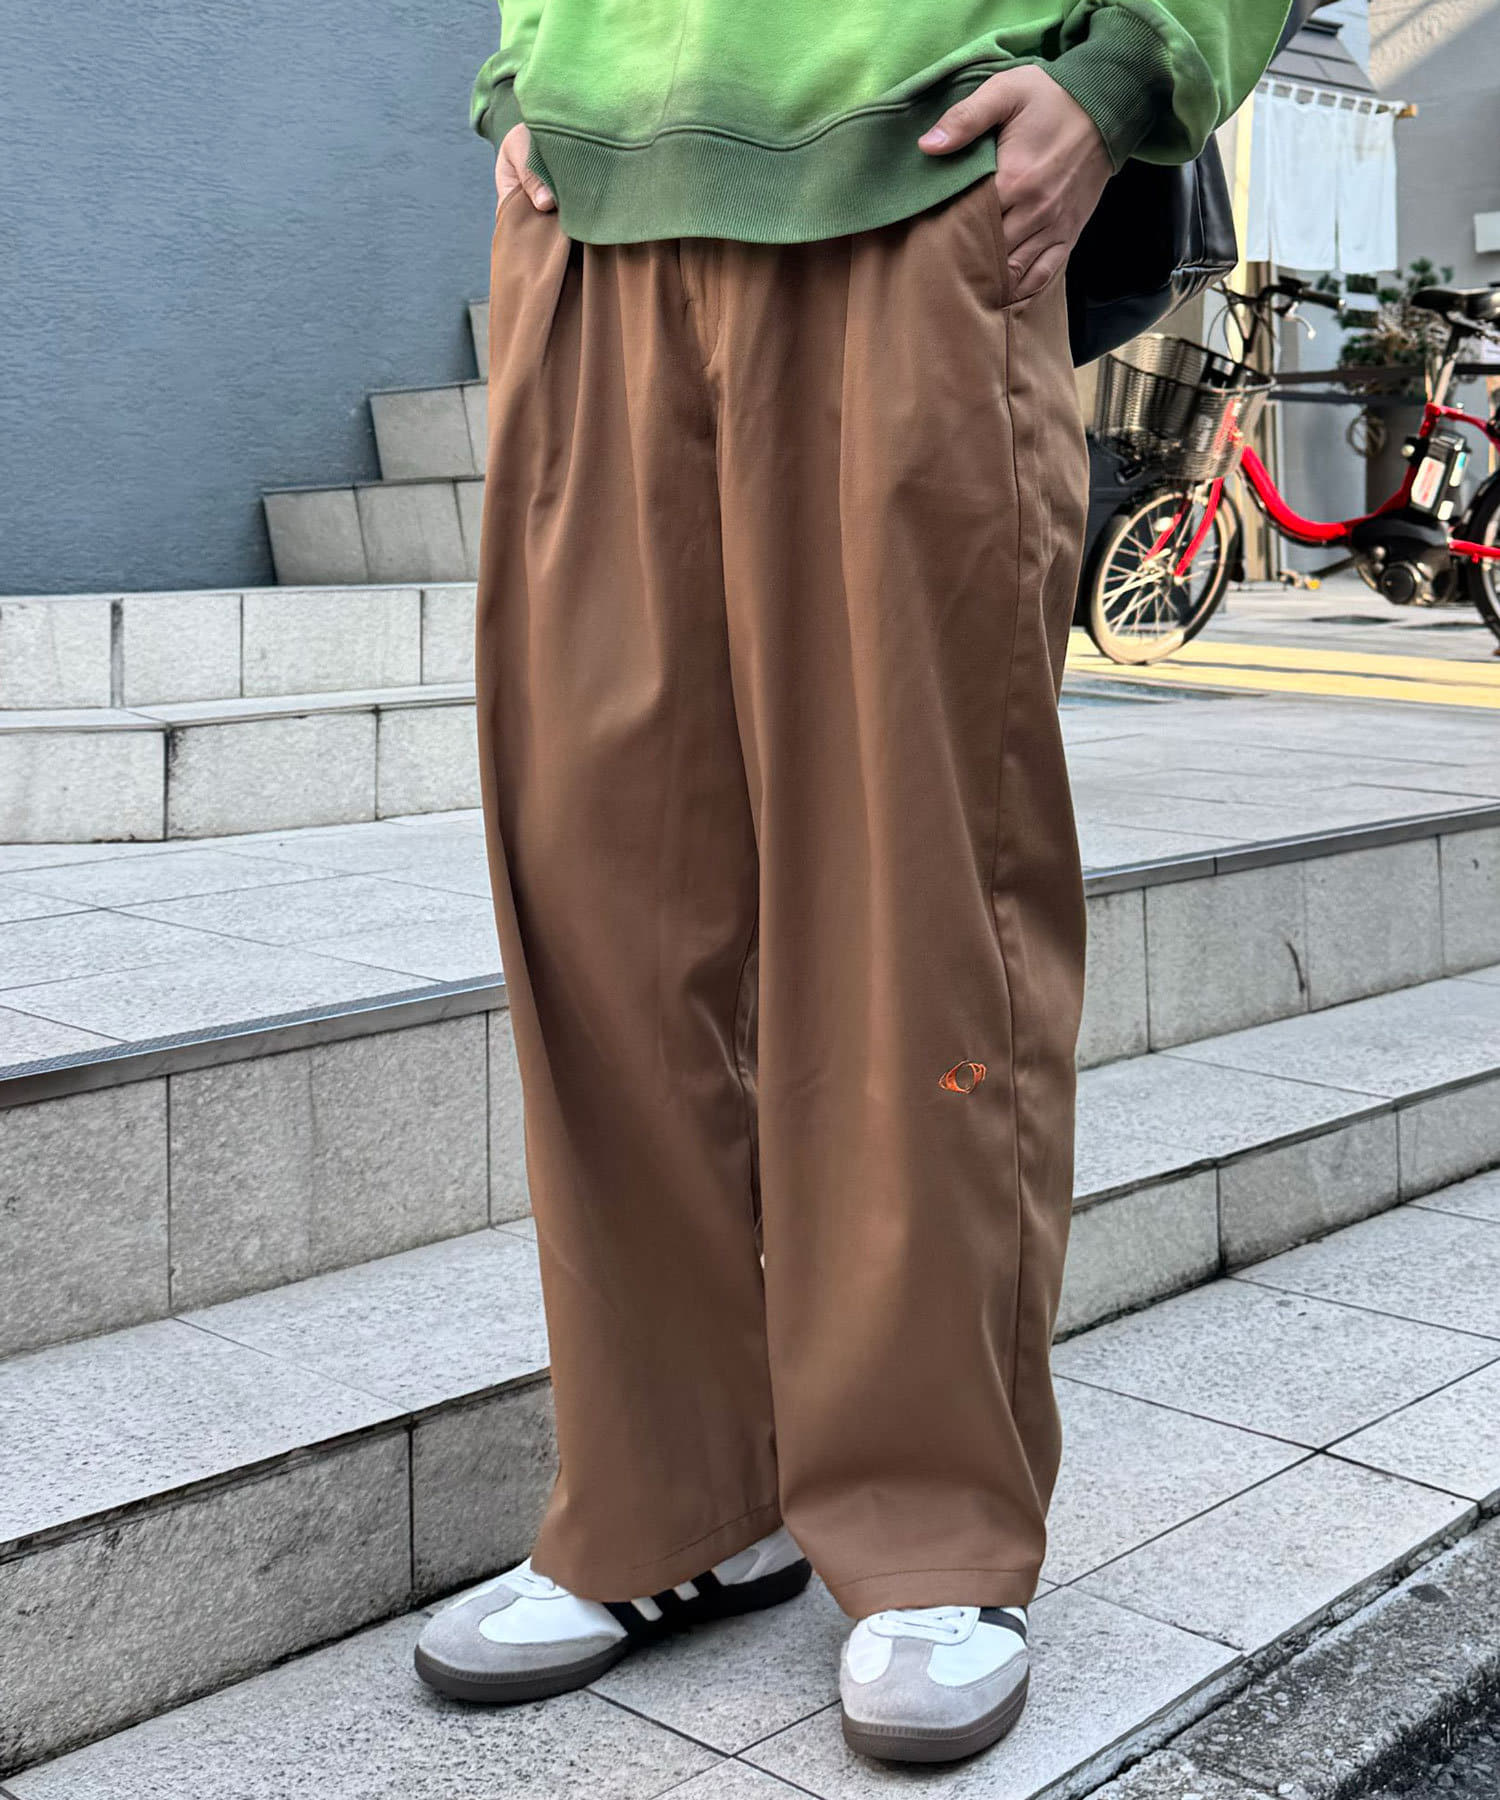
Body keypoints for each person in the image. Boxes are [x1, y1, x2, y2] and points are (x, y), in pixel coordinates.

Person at [416, 0, 1292, 1764]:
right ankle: (669, 1500)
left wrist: (1119, 79)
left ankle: (927, 1524)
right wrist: (524, 79)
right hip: (594, 211)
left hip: (914, 181)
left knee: (912, 896)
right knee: (600, 905)